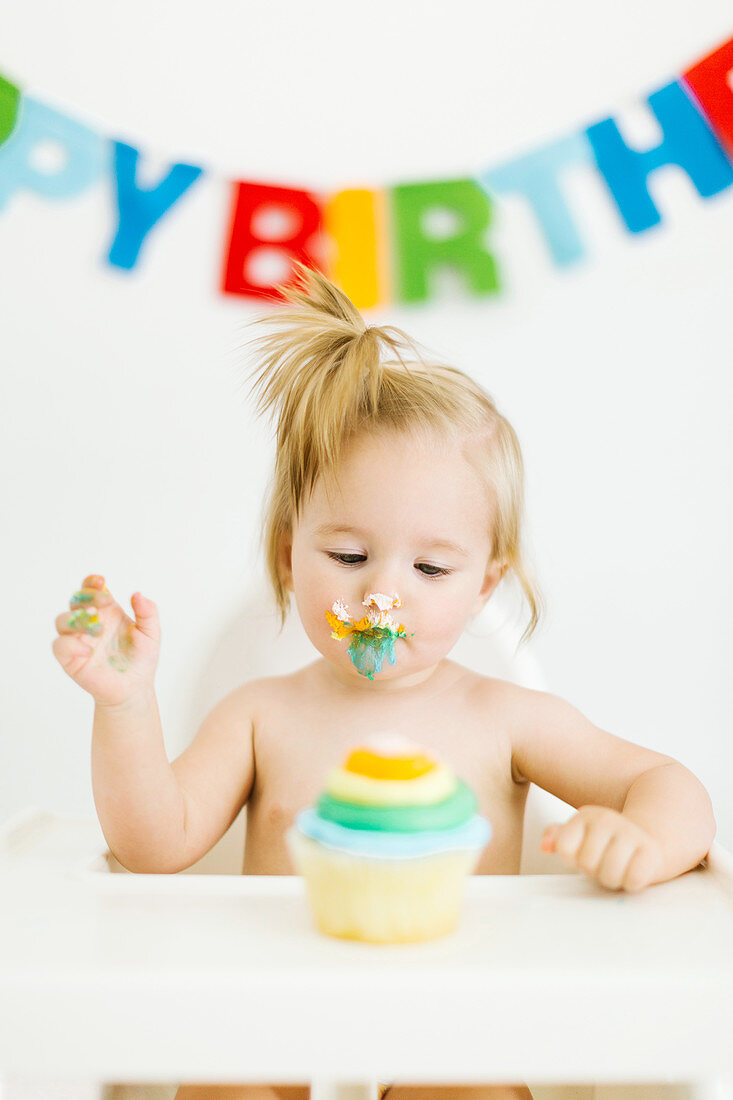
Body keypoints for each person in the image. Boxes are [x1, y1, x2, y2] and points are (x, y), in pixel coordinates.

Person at [52, 262, 716, 1100]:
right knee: (221, 1083)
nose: (381, 593)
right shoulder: (259, 716)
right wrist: (125, 702)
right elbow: (150, 848)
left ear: (483, 583)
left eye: (431, 566)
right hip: (272, 1017)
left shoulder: (504, 718)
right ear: (289, 552)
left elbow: (668, 786)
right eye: (348, 556)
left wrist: (647, 841)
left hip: (454, 1023)